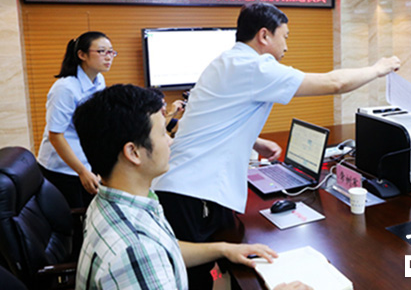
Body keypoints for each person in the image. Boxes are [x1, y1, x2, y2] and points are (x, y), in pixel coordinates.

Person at [152, 2, 401, 288]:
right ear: (264, 35)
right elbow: (334, 83)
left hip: (182, 184)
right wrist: (378, 68)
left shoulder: (226, 61)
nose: (286, 46)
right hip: (192, 191)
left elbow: (209, 119)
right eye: (284, 36)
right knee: (194, 280)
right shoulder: (254, 66)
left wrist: (254, 142)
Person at [73, 84, 310, 290]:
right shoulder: (136, 252)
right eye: (162, 133)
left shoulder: (114, 201)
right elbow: (148, 254)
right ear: (133, 152)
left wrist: (224, 249)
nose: (170, 142)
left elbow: (167, 249)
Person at [37, 31, 117, 208]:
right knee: (73, 218)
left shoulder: (99, 80)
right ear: (82, 55)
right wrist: (81, 171)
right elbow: (55, 135)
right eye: (102, 51)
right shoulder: (65, 88)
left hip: (86, 162)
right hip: (63, 169)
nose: (108, 57)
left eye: (111, 51)